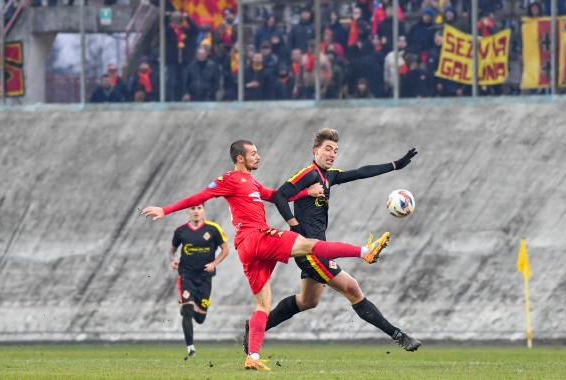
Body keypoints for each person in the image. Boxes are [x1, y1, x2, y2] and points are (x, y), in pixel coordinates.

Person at [141, 140, 391, 371]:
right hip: (257, 237)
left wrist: (306, 193)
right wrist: (166, 209)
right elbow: (200, 196)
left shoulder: (252, 183)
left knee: (263, 304)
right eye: (253, 154)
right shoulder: (229, 179)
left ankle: (253, 356)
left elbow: (275, 196)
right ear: (240, 158)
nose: (258, 157)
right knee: (312, 245)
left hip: (247, 250)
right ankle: (365, 252)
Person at [242, 128, 421, 354]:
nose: (332, 153)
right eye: (328, 149)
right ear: (315, 150)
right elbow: (279, 195)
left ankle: (256, 327)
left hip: (316, 250)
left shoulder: (329, 176)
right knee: (353, 289)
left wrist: (395, 164)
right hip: (310, 251)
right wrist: (294, 224)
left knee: (308, 301)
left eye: (335, 150)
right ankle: (399, 336)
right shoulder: (308, 174)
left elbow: (361, 172)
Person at [170, 204, 229, 357]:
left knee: (200, 318)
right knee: (188, 311)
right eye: (192, 209)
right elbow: (173, 249)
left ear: (203, 211)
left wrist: (214, 264)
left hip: (204, 277)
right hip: (186, 275)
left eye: (198, 208)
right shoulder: (181, 231)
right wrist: (173, 260)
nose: (195, 211)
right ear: (188, 212)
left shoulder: (213, 228)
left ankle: (188, 306)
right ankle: (191, 349)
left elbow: (225, 249)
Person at [165, 11, 198, 101]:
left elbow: (195, 31)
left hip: (184, 61)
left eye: (179, 20)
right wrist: (166, 18)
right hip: (172, 61)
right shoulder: (169, 31)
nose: (177, 23)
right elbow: (162, 31)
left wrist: (188, 18)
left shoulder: (185, 30)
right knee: (172, 82)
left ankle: (182, 99)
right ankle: (171, 100)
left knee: (184, 82)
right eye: (175, 21)